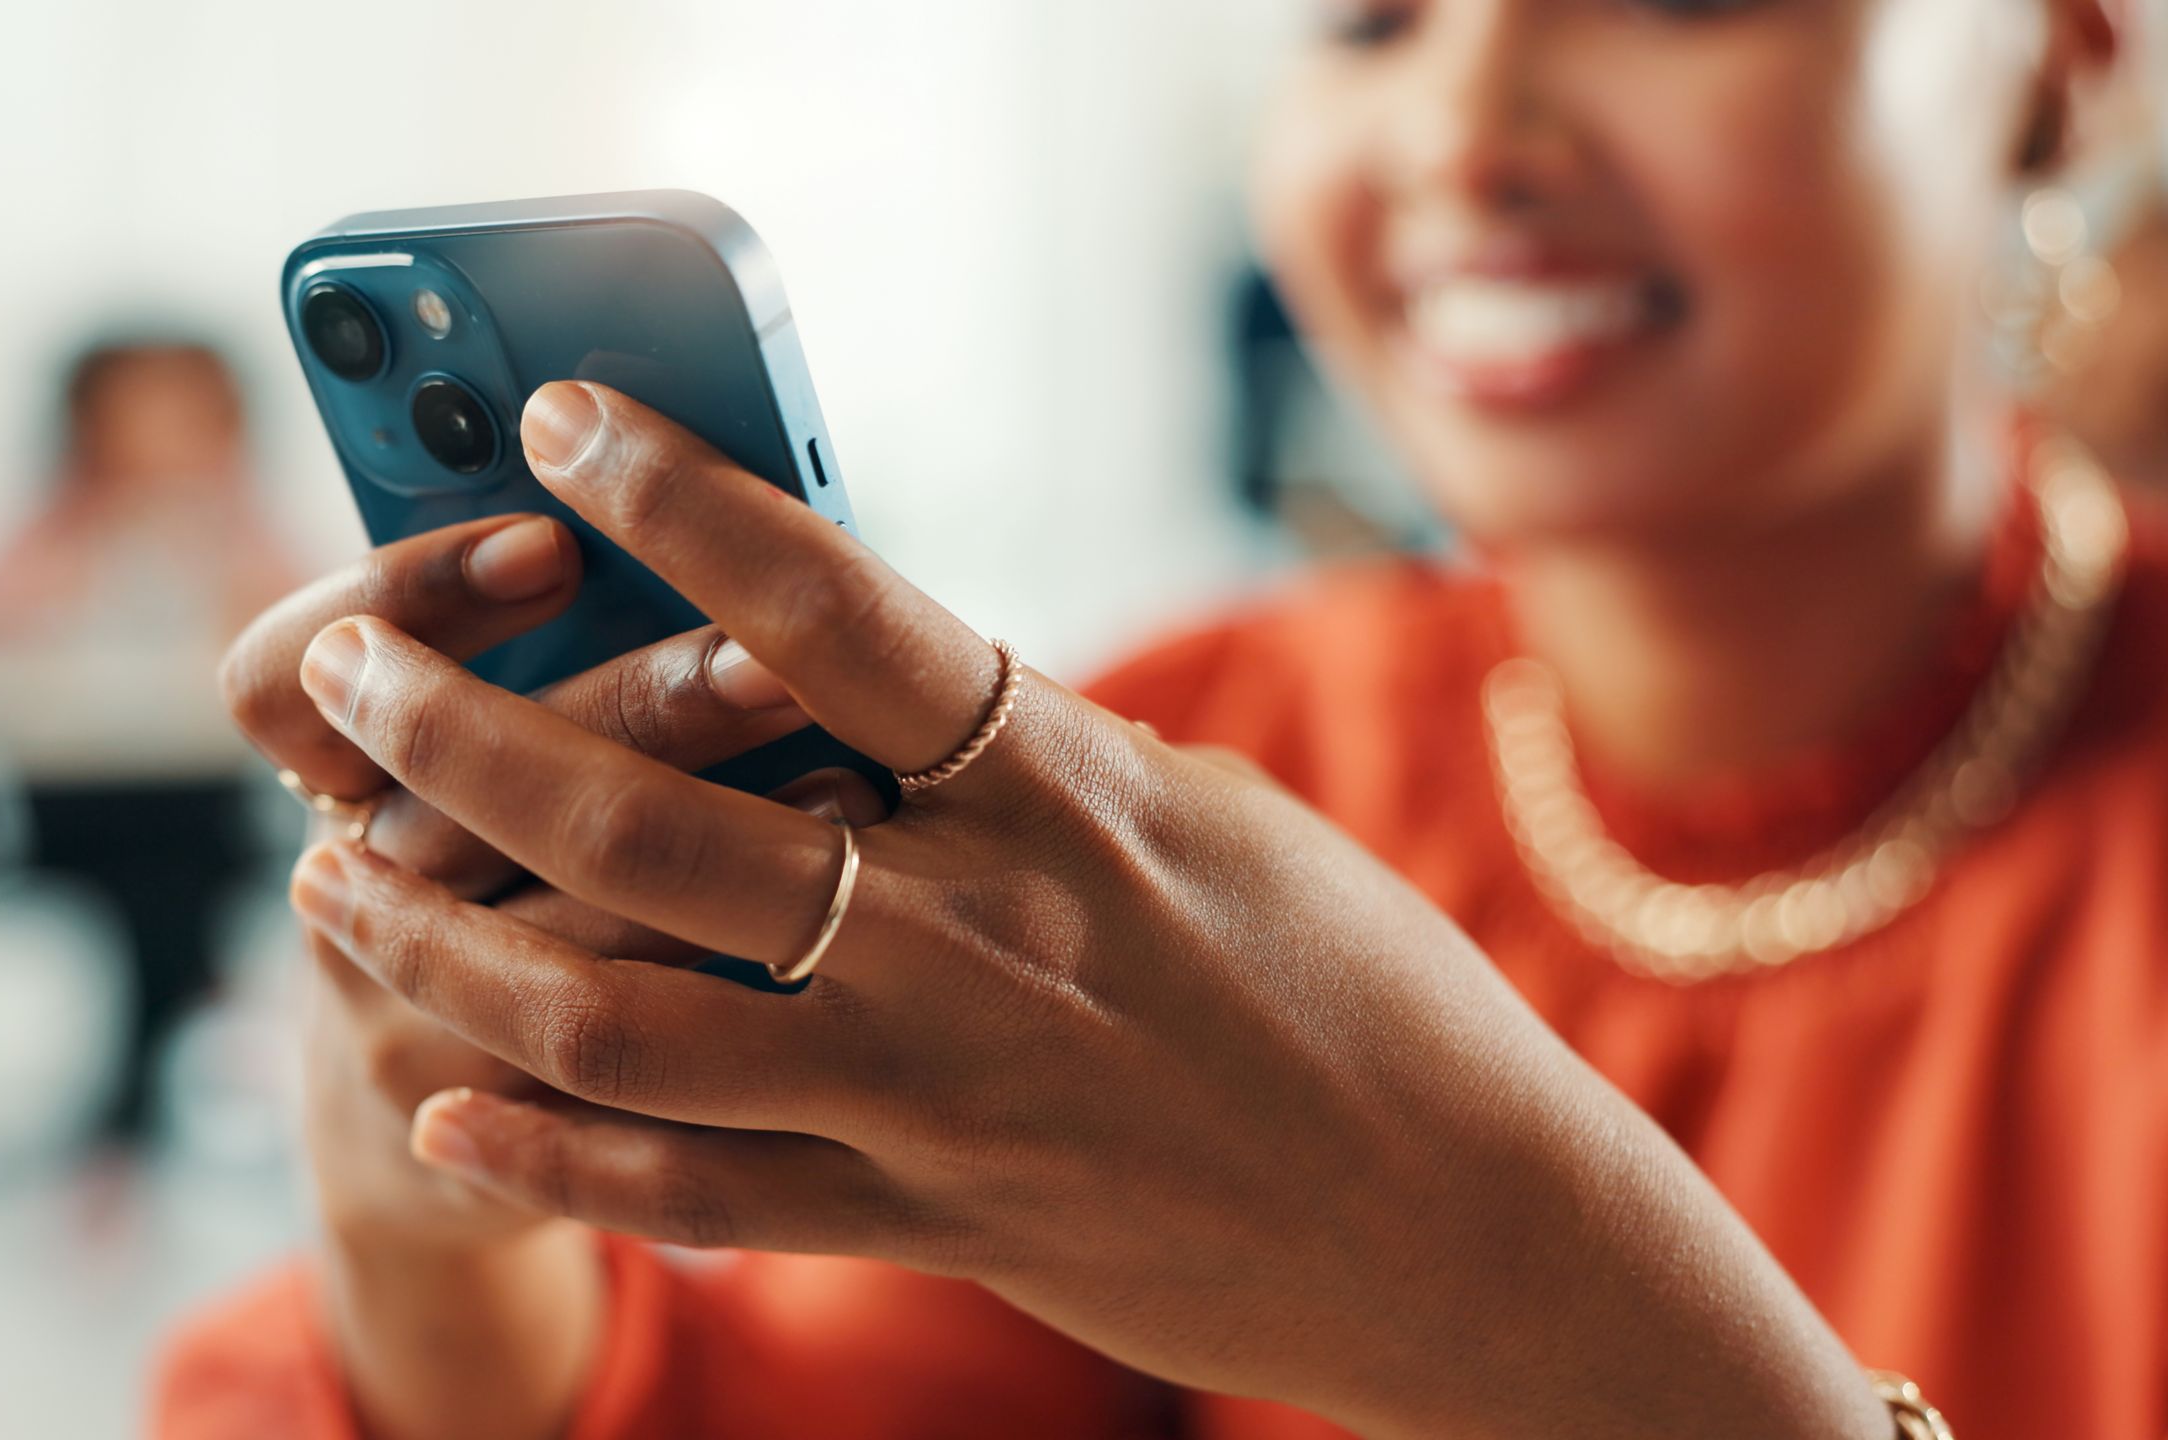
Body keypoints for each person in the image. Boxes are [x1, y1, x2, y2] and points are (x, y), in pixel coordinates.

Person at [158, 1, 2167, 1436]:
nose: (1465, 131)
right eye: (1368, 21)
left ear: (2058, 66)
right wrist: (436, 1221)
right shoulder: (1183, 773)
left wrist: (1544, 1318)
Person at [0, 336, 301, 1153]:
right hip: (76, 807)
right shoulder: (50, 531)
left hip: (198, 810)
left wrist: (221, 527)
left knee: (175, 899)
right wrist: (76, 536)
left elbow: (307, 628)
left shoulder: (234, 531)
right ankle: (141, 1119)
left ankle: (121, 1131)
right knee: (166, 911)